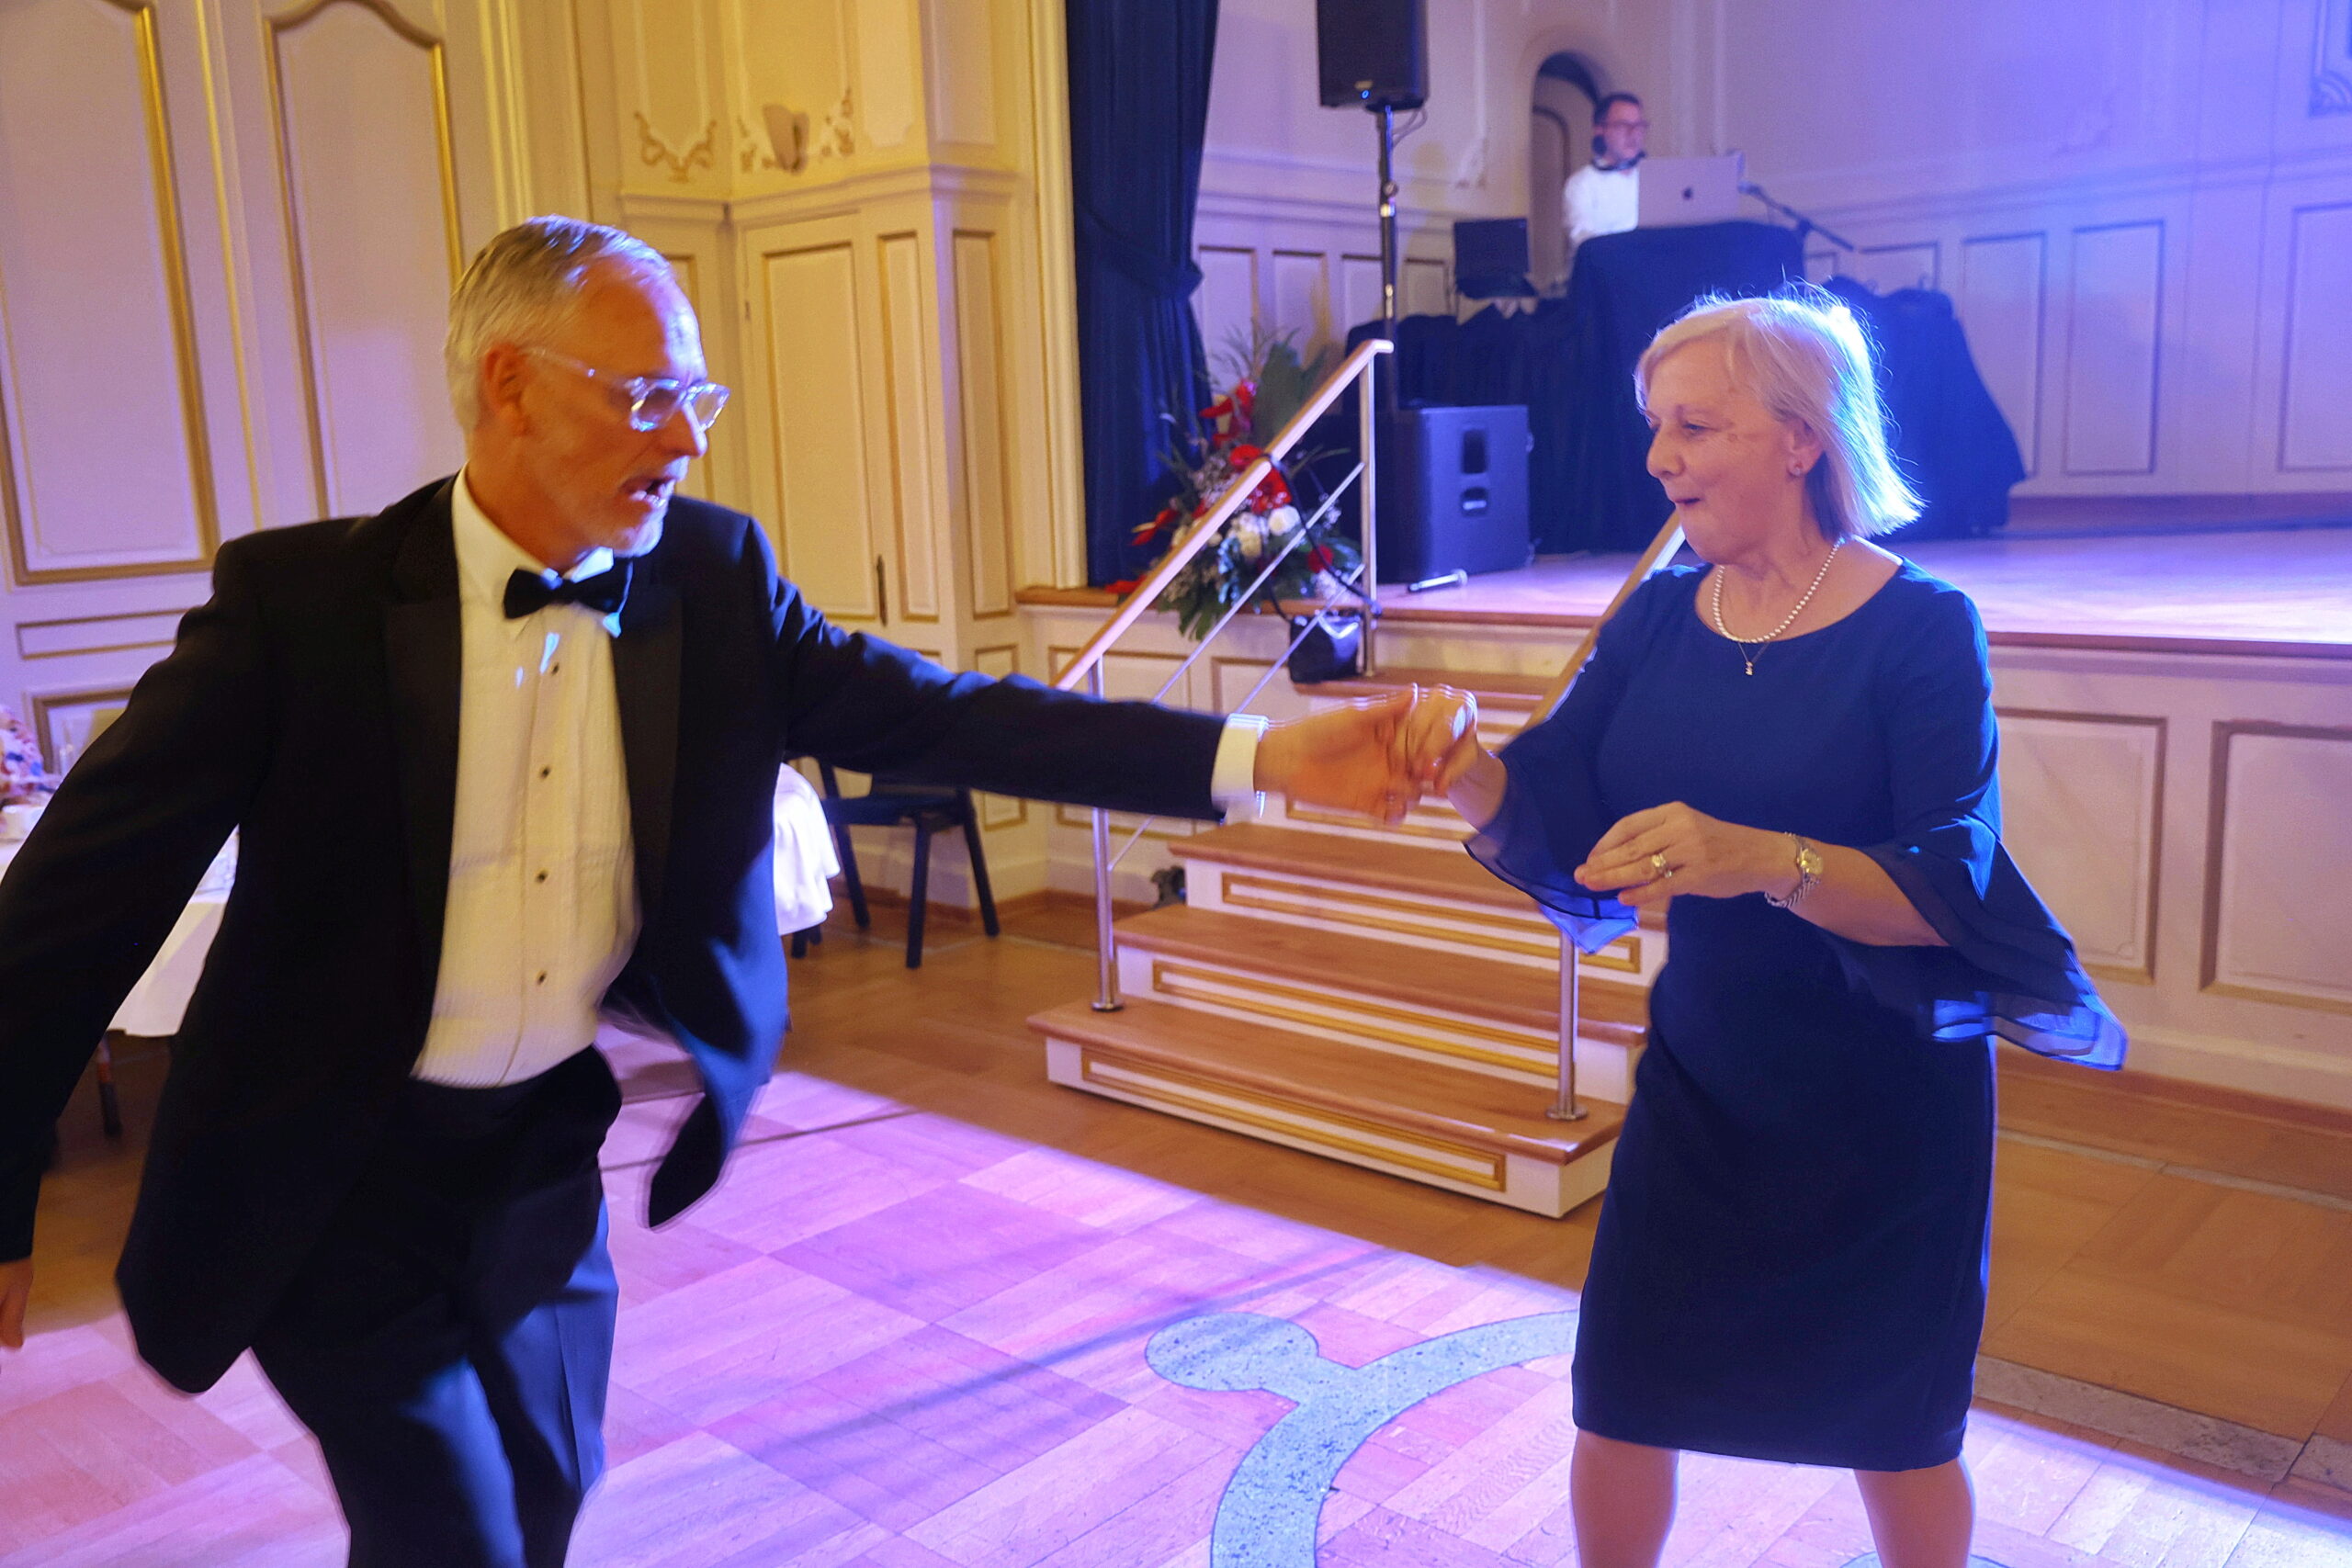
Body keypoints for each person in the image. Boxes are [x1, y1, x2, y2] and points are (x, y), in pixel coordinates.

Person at [0, 216, 1423, 1568]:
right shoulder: (302, 608)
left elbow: (952, 716)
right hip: (332, 1169)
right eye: (645, 396)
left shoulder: (714, 578)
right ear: (510, 386)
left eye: (698, 397)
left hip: (538, 1158)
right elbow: (76, 895)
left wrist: (1264, 751)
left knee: (547, 1485)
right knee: (451, 1523)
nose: (686, 439)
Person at [1402, 289, 2122, 1568]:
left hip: (1885, 1105)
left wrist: (1760, 859)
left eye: (1695, 426)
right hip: (1705, 1079)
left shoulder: (1922, 627)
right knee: (1621, 1392)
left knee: (1895, 1429)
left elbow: (1945, 886)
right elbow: (1560, 803)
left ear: (1800, 438)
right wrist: (1459, 769)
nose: (1657, 457)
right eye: (1654, 426)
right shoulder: (1657, 616)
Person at [1564, 92, 1647, 252]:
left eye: (1638, 126)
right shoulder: (1581, 184)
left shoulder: (1653, 181)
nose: (1633, 134)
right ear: (1600, 130)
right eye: (1623, 125)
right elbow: (1585, 243)